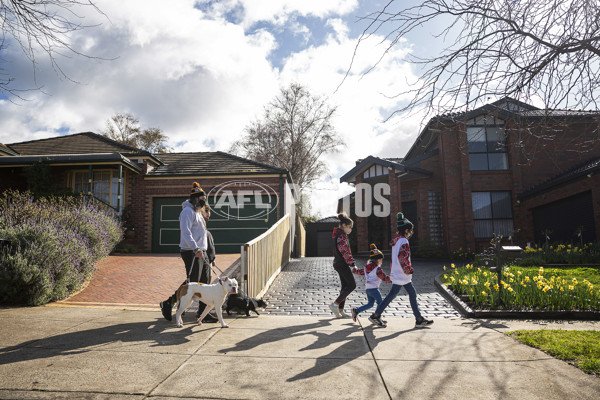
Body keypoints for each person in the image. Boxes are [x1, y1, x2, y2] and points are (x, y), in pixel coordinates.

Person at [159, 182, 218, 323]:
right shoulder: (187, 212)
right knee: (191, 283)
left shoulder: (198, 213)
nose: (203, 201)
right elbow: (186, 233)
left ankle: (202, 313)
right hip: (191, 252)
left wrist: (208, 255)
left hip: (201, 253)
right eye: (201, 199)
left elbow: (203, 235)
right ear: (194, 198)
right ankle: (168, 303)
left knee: (205, 284)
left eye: (204, 199)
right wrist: (195, 248)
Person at [368, 212, 434, 328]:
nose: (411, 232)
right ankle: (376, 315)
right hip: (402, 274)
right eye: (410, 230)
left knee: (408, 294)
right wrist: (408, 270)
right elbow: (403, 258)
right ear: (406, 230)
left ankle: (418, 318)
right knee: (394, 295)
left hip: (398, 273)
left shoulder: (397, 240)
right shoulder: (404, 241)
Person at [350, 243, 391, 323]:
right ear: (377, 260)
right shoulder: (377, 269)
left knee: (370, 304)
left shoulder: (366, 268)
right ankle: (376, 317)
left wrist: (353, 268)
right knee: (381, 303)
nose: (382, 260)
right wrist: (394, 279)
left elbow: (358, 271)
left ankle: (356, 311)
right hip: (374, 289)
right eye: (381, 259)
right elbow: (384, 277)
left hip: (368, 289)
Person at [329, 212, 357, 318]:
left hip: (338, 263)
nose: (350, 229)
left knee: (345, 286)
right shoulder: (341, 236)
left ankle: (340, 310)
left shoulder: (339, 234)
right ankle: (335, 304)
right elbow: (345, 251)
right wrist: (352, 264)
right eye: (349, 227)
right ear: (344, 225)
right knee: (352, 285)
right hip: (342, 264)